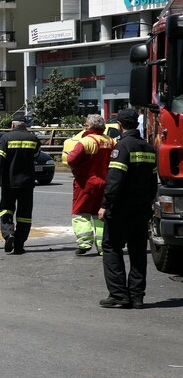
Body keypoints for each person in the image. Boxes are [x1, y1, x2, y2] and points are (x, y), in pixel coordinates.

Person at [98, 109, 157, 309]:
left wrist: (105, 205)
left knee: (112, 247)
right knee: (138, 252)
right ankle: (137, 296)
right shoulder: (149, 148)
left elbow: (114, 180)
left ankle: (118, 295)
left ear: (120, 125)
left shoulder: (122, 147)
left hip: (121, 209)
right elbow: (153, 183)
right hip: (142, 209)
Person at [0, 113, 41, 255]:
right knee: (24, 214)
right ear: (25, 125)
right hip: (27, 183)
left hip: (9, 182)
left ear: (12, 124)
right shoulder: (33, 139)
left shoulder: (6, 138)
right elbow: (36, 156)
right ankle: (19, 244)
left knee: (6, 209)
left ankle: (8, 234)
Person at [67, 114, 115, 256]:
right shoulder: (112, 142)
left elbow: (71, 159)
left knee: (81, 214)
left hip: (86, 184)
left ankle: (84, 243)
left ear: (91, 126)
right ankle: (102, 246)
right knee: (100, 215)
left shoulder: (86, 141)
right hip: (106, 184)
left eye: (86, 124)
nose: (84, 125)